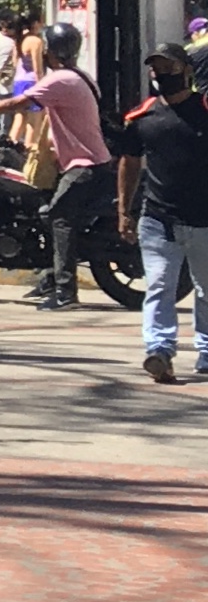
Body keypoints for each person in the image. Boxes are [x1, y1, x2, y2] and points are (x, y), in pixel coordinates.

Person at [0, 22, 114, 309]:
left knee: (58, 218)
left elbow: (17, 104)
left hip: (83, 166)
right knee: (40, 211)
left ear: (50, 50)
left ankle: (65, 292)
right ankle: (49, 278)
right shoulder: (81, 77)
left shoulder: (60, 80)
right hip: (84, 163)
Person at [112, 42, 208, 384]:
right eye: (155, 68)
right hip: (157, 220)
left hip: (204, 221)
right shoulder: (142, 118)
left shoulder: (205, 109)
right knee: (159, 286)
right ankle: (159, 351)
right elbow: (130, 163)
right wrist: (125, 211)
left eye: (168, 68)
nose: (161, 74)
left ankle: (207, 352)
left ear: (186, 71)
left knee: (206, 289)